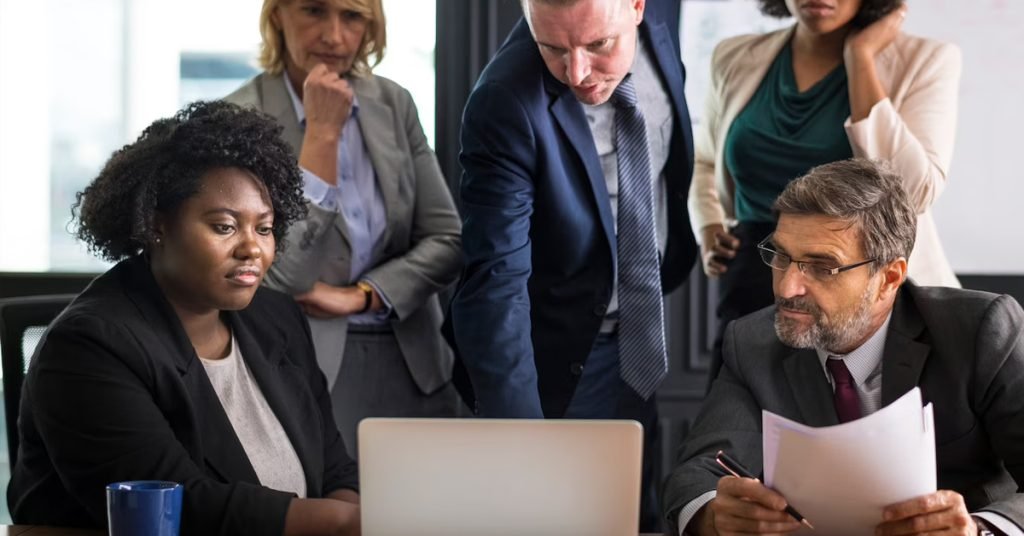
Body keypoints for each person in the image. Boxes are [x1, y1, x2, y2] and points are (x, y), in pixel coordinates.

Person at [7, 101, 361, 535]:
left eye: (264, 228)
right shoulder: (88, 346)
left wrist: (353, 521)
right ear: (157, 226)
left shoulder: (277, 319)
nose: (253, 248)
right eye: (225, 227)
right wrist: (346, 522)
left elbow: (336, 472)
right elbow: (179, 507)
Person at [664, 158, 1024, 536]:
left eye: (822, 267)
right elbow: (697, 474)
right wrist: (714, 513)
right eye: (782, 257)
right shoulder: (753, 342)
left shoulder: (980, 331)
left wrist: (979, 529)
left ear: (889, 277)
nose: (787, 289)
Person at [447, 0, 697, 530]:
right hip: (554, 363)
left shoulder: (663, 16)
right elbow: (495, 281)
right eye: (553, 49)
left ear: (636, 6)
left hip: (640, 330)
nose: (577, 73)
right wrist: (523, 444)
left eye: (598, 46)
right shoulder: (504, 101)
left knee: (636, 515)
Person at [225, 0, 463, 455]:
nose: (334, 36)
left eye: (352, 16)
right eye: (314, 10)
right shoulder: (239, 120)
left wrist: (365, 294)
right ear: (278, 15)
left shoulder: (393, 102)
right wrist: (322, 134)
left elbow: (448, 240)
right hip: (303, 367)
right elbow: (283, 278)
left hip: (414, 360)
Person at [691, 0, 962, 386]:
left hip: (856, 280)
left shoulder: (926, 60)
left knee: (854, 428)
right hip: (756, 272)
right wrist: (709, 223)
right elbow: (705, 159)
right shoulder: (735, 56)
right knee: (737, 428)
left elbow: (913, 192)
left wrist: (861, 58)